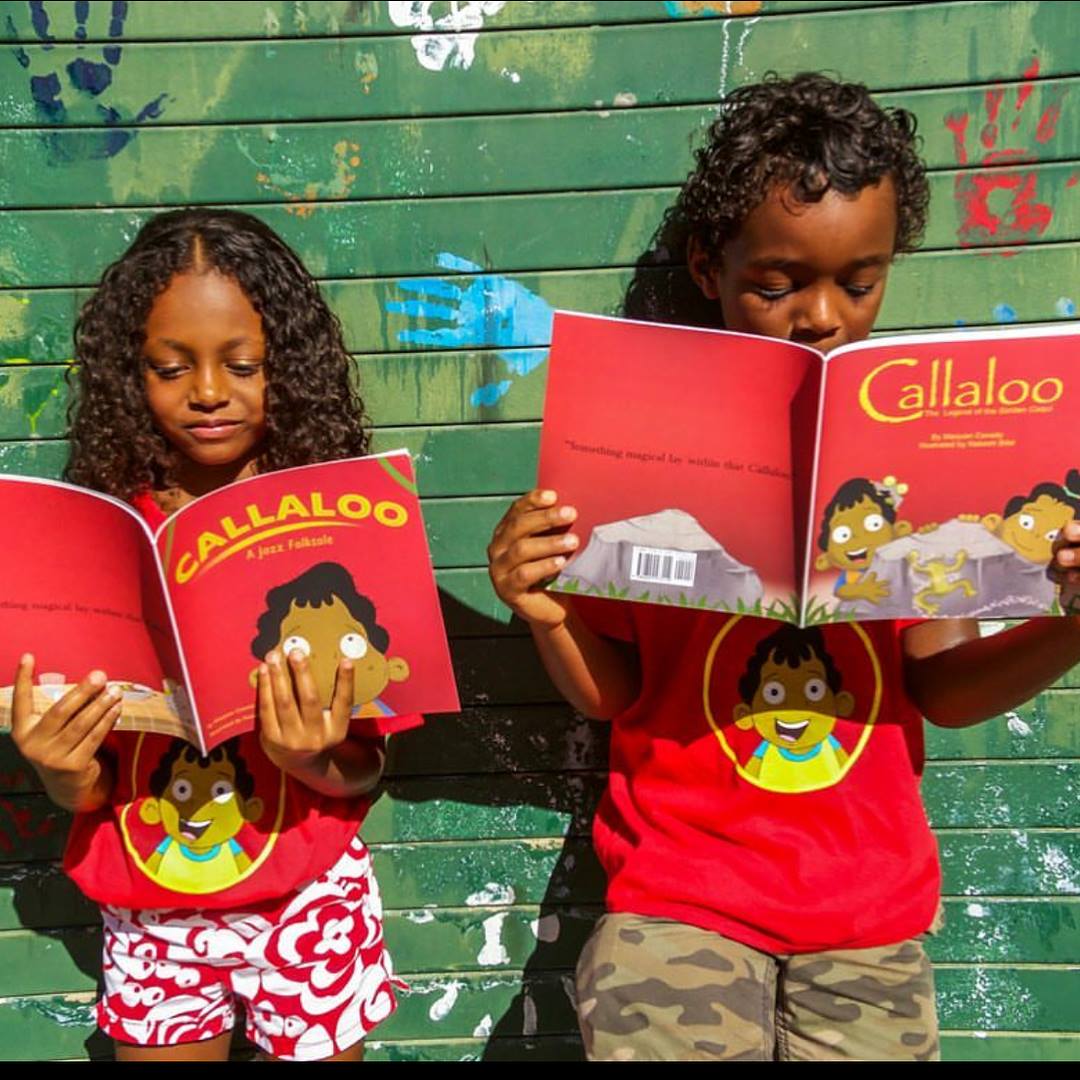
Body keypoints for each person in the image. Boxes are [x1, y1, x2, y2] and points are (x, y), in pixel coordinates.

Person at [487, 73, 1080, 1061]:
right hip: (679, 905)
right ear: (707, 267)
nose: (821, 317)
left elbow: (944, 686)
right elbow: (613, 694)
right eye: (777, 284)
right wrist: (545, 609)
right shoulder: (642, 448)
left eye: (860, 281)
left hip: (866, 912)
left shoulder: (919, 453)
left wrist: (1070, 623)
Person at [9, 209, 412, 1061]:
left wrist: (309, 757)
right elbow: (89, 795)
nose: (206, 391)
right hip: (154, 904)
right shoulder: (101, 539)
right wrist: (58, 771)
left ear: (289, 369)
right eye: (169, 367)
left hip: (309, 895)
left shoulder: (337, 527)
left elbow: (369, 768)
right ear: (129, 374)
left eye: (243, 365)